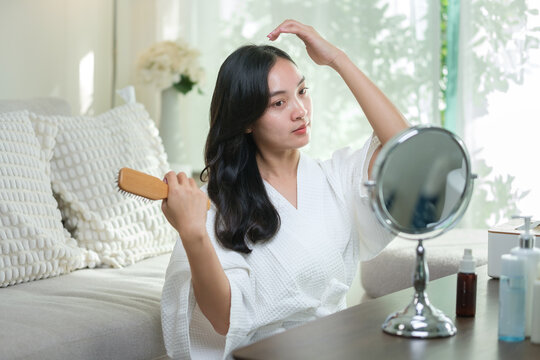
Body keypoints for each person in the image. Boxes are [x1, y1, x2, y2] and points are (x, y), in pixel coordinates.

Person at [160, 19, 409, 359]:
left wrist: (338, 59)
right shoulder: (219, 205)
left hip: (337, 347)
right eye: (279, 103)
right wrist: (192, 233)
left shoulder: (334, 178)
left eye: (303, 92)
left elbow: (404, 149)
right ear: (247, 120)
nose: (300, 112)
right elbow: (222, 317)